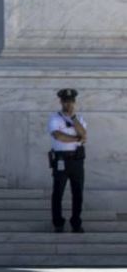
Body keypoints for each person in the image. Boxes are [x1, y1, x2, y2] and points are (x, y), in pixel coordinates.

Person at [49, 88, 87, 233]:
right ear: (61, 102)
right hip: (61, 160)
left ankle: (76, 223)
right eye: (65, 102)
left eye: (70, 102)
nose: (68, 105)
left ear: (74, 102)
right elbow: (58, 136)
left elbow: (84, 134)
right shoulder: (55, 118)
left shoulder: (80, 119)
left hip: (77, 160)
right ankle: (58, 223)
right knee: (58, 193)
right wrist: (77, 138)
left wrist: (73, 118)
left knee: (78, 193)